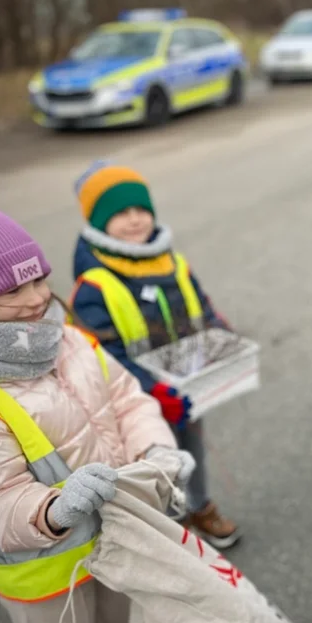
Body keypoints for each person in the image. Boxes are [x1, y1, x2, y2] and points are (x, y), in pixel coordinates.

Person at [0, 200, 195, 623]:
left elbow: (128, 401)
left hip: (116, 543)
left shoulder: (67, 338)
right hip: (47, 582)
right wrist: (53, 510)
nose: (34, 298)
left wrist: (156, 448)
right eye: (10, 290)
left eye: (38, 278)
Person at [68, 160, 242, 549]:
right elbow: (101, 354)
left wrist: (221, 336)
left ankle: (198, 506)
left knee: (192, 452)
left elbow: (203, 311)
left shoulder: (175, 264)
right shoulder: (94, 285)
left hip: (188, 387)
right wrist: (152, 389)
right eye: (120, 213)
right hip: (138, 402)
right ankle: (167, 528)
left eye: (141, 210)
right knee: (153, 465)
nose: (134, 220)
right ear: (98, 223)